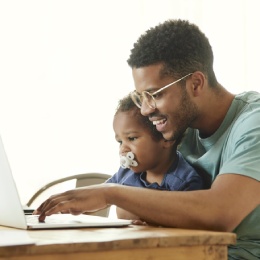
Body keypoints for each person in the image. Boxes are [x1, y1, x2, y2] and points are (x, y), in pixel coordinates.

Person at [35, 19, 260, 259]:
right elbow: (135, 196)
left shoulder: (252, 124)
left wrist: (110, 193)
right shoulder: (178, 127)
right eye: (141, 96)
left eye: (155, 94)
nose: (145, 109)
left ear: (195, 84)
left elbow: (219, 214)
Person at [107, 94, 205, 221]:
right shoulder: (125, 172)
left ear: (166, 138)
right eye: (120, 142)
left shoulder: (185, 183)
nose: (123, 150)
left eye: (132, 138)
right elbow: (100, 193)